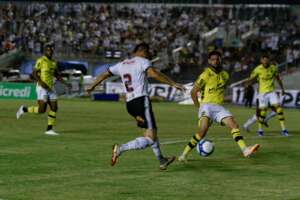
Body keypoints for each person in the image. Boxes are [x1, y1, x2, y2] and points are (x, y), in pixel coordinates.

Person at [87, 43, 186, 170]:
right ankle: (121, 149)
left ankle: (162, 160)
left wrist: (93, 85)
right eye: (148, 52)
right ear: (143, 51)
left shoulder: (122, 64)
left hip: (130, 104)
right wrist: (173, 83)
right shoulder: (143, 61)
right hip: (141, 101)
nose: (149, 55)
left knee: (151, 132)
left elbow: (104, 74)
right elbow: (154, 74)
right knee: (150, 138)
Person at [178, 51, 260, 162]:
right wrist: (199, 108)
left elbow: (221, 90)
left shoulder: (225, 75)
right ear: (209, 61)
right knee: (203, 131)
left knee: (234, 124)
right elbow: (193, 92)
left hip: (219, 107)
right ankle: (183, 155)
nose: (215, 61)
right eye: (212, 59)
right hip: (206, 106)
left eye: (217, 59)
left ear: (220, 60)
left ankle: (245, 150)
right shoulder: (205, 75)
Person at [16, 44, 70, 135]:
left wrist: (65, 83)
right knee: (42, 110)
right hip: (42, 88)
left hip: (51, 88)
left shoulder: (53, 62)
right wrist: (41, 82)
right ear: (45, 51)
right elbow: (34, 73)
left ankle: (49, 129)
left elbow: (57, 74)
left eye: (51, 50)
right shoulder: (41, 60)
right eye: (48, 50)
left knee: (54, 107)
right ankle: (24, 109)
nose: (49, 51)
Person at [246, 54, 288, 136]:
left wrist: (283, 89)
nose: (265, 61)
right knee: (263, 112)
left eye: (266, 60)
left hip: (272, 92)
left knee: (279, 109)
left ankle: (284, 130)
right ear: (261, 61)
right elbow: (251, 78)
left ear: (269, 60)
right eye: (263, 60)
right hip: (262, 93)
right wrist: (247, 84)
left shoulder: (273, 68)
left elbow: (278, 79)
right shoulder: (258, 69)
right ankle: (260, 131)